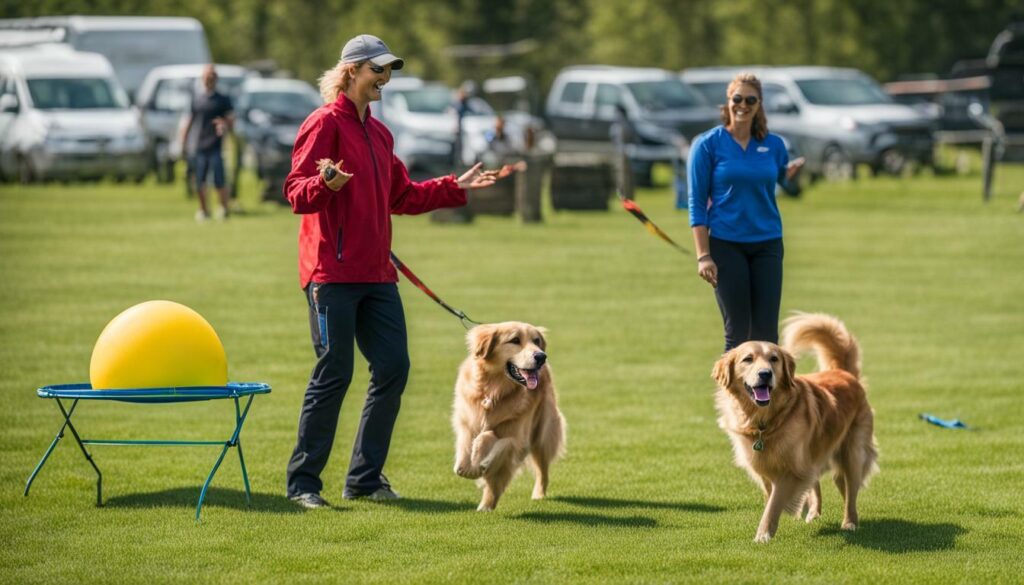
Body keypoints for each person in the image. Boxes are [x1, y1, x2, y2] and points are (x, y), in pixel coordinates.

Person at [283, 34, 502, 509]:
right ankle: (303, 484)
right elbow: (296, 191)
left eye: (388, 71)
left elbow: (402, 197)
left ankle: (363, 479)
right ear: (350, 73)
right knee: (334, 372)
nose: (384, 79)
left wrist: (452, 186)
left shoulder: (380, 135)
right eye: (377, 70)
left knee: (394, 367)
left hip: (377, 276)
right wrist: (324, 183)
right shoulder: (323, 124)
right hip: (330, 274)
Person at [687, 73, 804, 352]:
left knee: (766, 336)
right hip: (727, 245)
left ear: (759, 104)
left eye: (750, 99)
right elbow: (697, 203)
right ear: (727, 102)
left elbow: (777, 180)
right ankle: (734, 397)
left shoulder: (774, 145)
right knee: (738, 335)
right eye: (737, 99)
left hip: (768, 244)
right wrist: (703, 255)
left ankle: (769, 397)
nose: (743, 105)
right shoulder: (707, 144)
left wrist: (789, 176)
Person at [180, 65, 234, 222]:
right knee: (200, 181)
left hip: (216, 145)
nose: (209, 79)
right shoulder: (196, 99)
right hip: (199, 145)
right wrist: (183, 141)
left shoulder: (223, 99)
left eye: (212, 76)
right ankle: (204, 210)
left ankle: (223, 208)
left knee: (219, 179)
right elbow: (189, 121)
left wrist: (223, 123)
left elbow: (231, 121)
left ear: (216, 79)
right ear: (202, 79)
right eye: (206, 76)